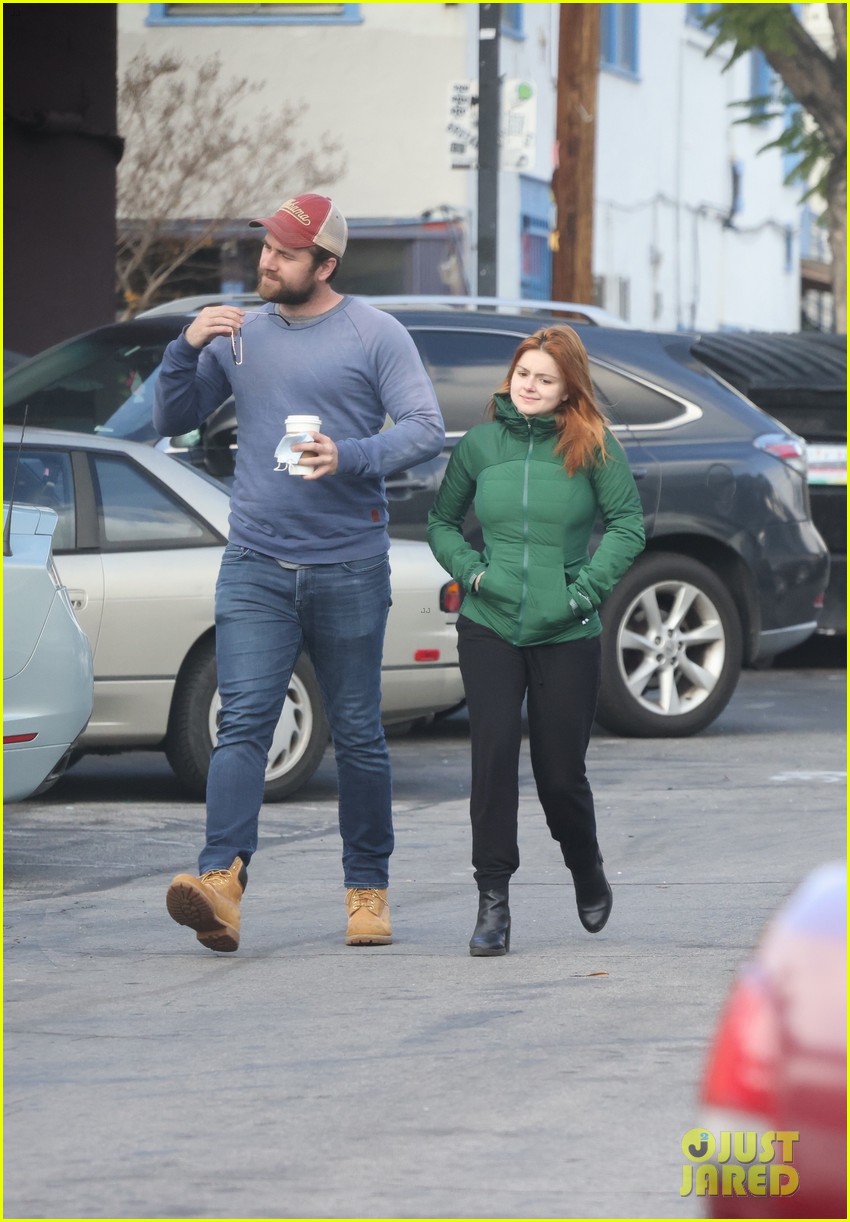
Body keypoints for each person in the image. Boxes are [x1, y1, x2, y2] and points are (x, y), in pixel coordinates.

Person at [154, 193, 444, 952]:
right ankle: (219, 884)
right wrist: (185, 347)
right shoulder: (240, 335)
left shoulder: (374, 334)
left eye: (285, 251)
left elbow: (424, 427)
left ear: (325, 264)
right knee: (243, 721)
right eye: (267, 247)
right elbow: (168, 418)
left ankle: (367, 892)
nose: (268, 261)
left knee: (357, 732)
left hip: (349, 563)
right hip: (255, 561)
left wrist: (349, 455)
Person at [427, 326, 645, 956]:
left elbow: (628, 525)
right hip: (489, 624)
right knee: (491, 760)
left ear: (567, 387)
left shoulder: (592, 446)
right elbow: (442, 522)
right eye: (524, 374)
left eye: (546, 379)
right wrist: (472, 572)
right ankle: (492, 902)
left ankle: (586, 864)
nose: (531, 386)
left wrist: (585, 591)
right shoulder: (481, 444)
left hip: (566, 628)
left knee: (559, 776)